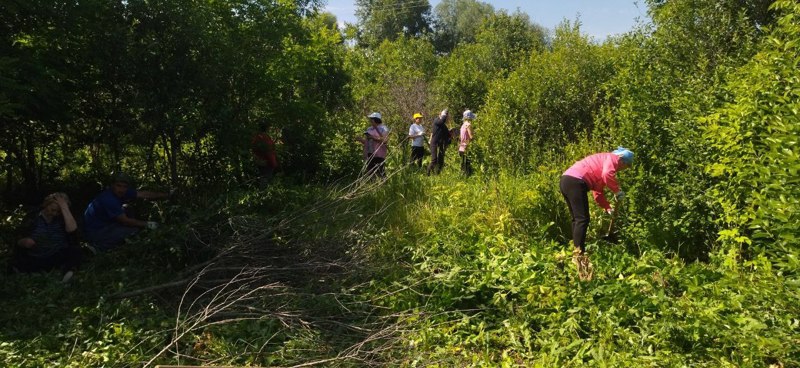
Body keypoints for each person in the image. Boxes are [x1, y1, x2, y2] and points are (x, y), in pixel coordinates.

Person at [560, 147, 634, 257]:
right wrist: (617, 191)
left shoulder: (602, 164)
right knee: (582, 219)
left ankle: (576, 250)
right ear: (623, 161)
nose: (624, 169)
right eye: (627, 166)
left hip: (566, 180)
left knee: (577, 219)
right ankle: (579, 254)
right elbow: (607, 175)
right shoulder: (612, 158)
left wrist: (607, 207)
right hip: (576, 181)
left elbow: (597, 193)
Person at [83, 172, 169, 252]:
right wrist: (148, 224)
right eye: (118, 186)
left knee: (127, 208)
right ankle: (98, 247)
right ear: (112, 185)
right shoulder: (109, 199)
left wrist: (164, 195)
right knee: (133, 232)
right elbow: (125, 220)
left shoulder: (122, 192)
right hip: (97, 231)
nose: (122, 189)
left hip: (106, 223)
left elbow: (143, 194)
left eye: (124, 186)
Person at [9, 192, 81, 282]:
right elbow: (18, 239)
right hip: (36, 255)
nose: (54, 213)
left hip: (57, 254)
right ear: (46, 205)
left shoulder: (63, 217)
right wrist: (25, 242)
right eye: (52, 209)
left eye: (58, 211)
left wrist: (64, 207)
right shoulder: (33, 216)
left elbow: (72, 230)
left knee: (75, 251)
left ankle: (68, 273)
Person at [355, 112, 389, 178]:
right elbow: (366, 142)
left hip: (379, 153)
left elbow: (385, 140)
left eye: (371, 119)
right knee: (370, 172)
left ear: (376, 119)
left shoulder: (384, 128)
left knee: (380, 171)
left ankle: (384, 185)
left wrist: (373, 138)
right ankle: (373, 185)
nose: (370, 120)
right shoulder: (369, 129)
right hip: (370, 152)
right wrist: (360, 139)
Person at [251, 123, 279, 187]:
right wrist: (273, 163)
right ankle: (264, 193)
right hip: (266, 162)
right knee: (265, 179)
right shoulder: (265, 138)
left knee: (261, 178)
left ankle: (261, 193)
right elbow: (269, 152)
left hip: (258, 161)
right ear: (267, 129)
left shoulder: (256, 137)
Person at [427, 109, 450, 175]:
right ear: (440, 115)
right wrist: (444, 114)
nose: (445, 118)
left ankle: (437, 174)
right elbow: (442, 121)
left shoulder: (443, 125)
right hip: (434, 143)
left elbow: (447, 135)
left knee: (441, 160)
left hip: (440, 143)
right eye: (445, 117)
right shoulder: (436, 120)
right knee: (434, 160)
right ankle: (427, 174)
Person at [459, 110, 475, 177]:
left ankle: (462, 177)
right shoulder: (468, 125)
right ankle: (468, 178)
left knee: (463, 164)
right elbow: (471, 137)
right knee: (468, 165)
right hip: (467, 147)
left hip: (461, 147)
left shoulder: (462, 125)